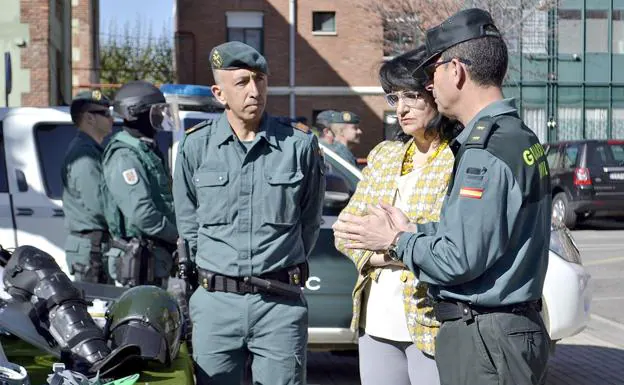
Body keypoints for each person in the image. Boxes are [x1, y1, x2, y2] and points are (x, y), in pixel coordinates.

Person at [333, 8, 552, 385]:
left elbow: (458, 258)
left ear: (456, 71)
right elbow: (478, 234)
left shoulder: (483, 151)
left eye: (432, 73)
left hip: (486, 335)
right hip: (500, 329)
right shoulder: (517, 136)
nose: (430, 85)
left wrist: (397, 240)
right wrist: (417, 229)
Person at [172, 41, 325, 385]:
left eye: (260, 80)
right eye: (241, 82)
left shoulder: (298, 146)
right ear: (219, 92)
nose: (254, 90)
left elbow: (309, 222)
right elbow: (189, 222)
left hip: (279, 306)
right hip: (216, 305)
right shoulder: (196, 147)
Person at [334, 46, 458, 385]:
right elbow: (345, 230)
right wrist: (384, 255)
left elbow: (452, 241)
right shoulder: (385, 156)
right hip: (375, 318)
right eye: (394, 98)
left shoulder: (458, 159)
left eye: (412, 96)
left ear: (434, 93)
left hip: (432, 318)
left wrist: (387, 245)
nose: (401, 108)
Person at [102, 80, 178, 287]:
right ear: (137, 113)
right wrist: (177, 235)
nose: (162, 116)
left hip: (154, 259)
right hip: (138, 263)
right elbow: (142, 213)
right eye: (157, 111)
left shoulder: (145, 150)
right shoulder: (124, 156)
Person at [62, 89, 114, 283]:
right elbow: (97, 204)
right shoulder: (84, 154)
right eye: (106, 113)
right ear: (89, 118)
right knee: (92, 310)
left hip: (96, 246)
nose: (111, 118)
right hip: (91, 250)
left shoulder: (93, 150)